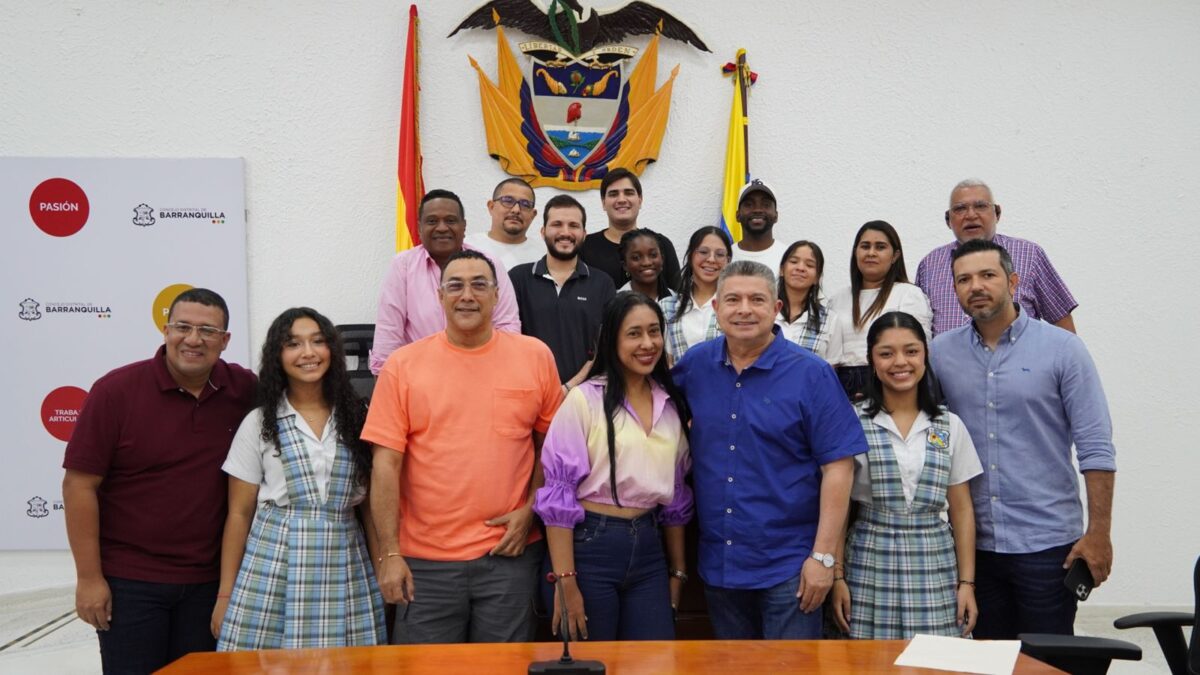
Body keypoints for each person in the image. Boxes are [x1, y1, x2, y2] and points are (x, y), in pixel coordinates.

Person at [364, 250, 563, 644]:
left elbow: (551, 446)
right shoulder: (402, 366)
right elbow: (384, 466)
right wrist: (389, 555)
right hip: (425, 565)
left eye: (479, 285)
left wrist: (531, 509)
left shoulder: (535, 356)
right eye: (455, 285)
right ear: (440, 297)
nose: (467, 295)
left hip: (509, 557)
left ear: (496, 296)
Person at [62, 288, 256, 674]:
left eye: (208, 330)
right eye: (182, 327)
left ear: (225, 340)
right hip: (130, 584)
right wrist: (88, 578)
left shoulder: (244, 390)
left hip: (209, 585)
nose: (193, 339)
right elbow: (79, 486)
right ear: (165, 330)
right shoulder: (115, 392)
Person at [671, 261, 867, 639]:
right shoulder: (696, 366)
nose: (744, 308)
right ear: (716, 308)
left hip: (790, 567)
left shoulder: (811, 374)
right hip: (719, 565)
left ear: (777, 308)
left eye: (757, 299)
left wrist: (824, 558)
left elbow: (839, 467)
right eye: (732, 299)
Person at [931, 238, 1115, 639]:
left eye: (987, 275)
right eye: (964, 279)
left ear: (1013, 281)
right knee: (986, 662)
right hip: (975, 549)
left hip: (1049, 548)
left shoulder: (1064, 349)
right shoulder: (939, 354)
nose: (975, 286)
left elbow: (1095, 444)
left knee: (1047, 661)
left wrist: (1099, 532)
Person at [213, 308, 386, 650]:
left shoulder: (357, 418)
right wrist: (225, 594)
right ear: (278, 356)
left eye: (318, 342)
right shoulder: (260, 422)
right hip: (273, 566)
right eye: (293, 344)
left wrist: (383, 567)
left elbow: (368, 508)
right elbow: (239, 513)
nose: (308, 352)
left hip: (345, 565)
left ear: (332, 352)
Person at [535, 292, 693, 641]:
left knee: (655, 663)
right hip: (589, 548)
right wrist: (566, 580)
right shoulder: (585, 400)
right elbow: (557, 497)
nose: (648, 343)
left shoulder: (670, 404)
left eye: (654, 331)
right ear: (612, 339)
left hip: (650, 553)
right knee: (591, 662)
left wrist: (678, 573)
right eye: (634, 333)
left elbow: (677, 501)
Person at [830, 311, 981, 639]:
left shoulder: (949, 425)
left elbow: (962, 509)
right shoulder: (851, 422)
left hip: (935, 564)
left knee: (937, 663)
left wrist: (966, 583)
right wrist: (838, 576)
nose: (900, 362)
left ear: (925, 355)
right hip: (869, 561)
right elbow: (837, 509)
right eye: (886, 353)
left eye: (911, 351)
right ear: (872, 359)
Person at [370, 189, 521, 374]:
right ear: (419, 227)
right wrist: (384, 381)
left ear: (464, 226)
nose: (442, 228)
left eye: (450, 220)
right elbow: (389, 331)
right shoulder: (403, 266)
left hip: (482, 372)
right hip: (421, 376)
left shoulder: (489, 264)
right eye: (432, 221)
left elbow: (507, 325)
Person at [916, 178, 1078, 337]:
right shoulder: (929, 265)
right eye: (960, 208)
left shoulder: (1029, 254)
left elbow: (1060, 319)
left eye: (980, 206)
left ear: (997, 214)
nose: (971, 215)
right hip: (948, 362)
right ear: (948, 220)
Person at [510, 194, 616, 388]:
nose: (565, 232)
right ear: (543, 231)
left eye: (574, 226)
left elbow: (607, 348)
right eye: (557, 224)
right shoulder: (518, 279)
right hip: (529, 393)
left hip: (586, 397)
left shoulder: (603, 283)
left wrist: (569, 388)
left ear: (584, 234)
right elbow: (507, 342)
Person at [829, 221, 932, 401]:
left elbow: (919, 349)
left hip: (888, 379)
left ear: (895, 256)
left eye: (880, 247)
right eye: (865, 246)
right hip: (839, 384)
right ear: (856, 252)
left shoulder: (908, 294)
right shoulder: (838, 298)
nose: (871, 253)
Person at [579, 168, 682, 288]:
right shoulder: (586, 246)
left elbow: (677, 296)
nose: (622, 200)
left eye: (628, 193)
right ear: (603, 203)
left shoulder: (662, 244)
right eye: (613, 194)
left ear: (640, 200)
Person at [660, 226, 731, 364]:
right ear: (691, 255)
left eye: (720, 254)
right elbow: (666, 361)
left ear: (728, 261)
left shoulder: (735, 307)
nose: (711, 259)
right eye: (703, 252)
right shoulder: (667, 306)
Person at [775, 240, 845, 364]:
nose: (800, 268)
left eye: (810, 265)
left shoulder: (830, 320)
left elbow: (829, 372)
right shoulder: (763, 312)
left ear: (817, 278)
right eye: (794, 262)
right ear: (781, 270)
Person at [464, 178, 545, 271]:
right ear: (491, 207)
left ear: (533, 215)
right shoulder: (467, 247)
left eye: (525, 204)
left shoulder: (543, 257)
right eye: (508, 201)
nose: (516, 210)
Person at [731, 180, 786, 267]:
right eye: (749, 204)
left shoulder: (788, 257)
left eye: (766, 204)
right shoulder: (725, 257)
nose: (757, 210)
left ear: (776, 216)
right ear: (737, 215)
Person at [617, 228, 675, 301]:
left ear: (662, 259)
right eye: (636, 257)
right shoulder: (615, 303)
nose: (646, 263)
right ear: (625, 265)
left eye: (653, 255)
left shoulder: (679, 303)